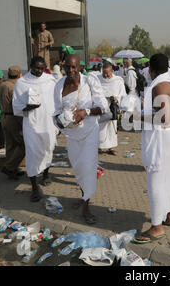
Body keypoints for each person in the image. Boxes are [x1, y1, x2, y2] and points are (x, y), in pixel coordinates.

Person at [54, 54, 109, 224]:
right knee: (77, 167)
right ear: (63, 67)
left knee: (87, 166)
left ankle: (86, 206)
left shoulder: (89, 81)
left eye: (74, 67)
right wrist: (59, 122)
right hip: (71, 134)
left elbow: (103, 107)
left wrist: (86, 112)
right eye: (67, 67)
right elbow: (55, 111)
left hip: (89, 131)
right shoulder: (58, 85)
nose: (71, 71)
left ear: (79, 67)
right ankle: (83, 195)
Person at [134, 54, 170, 243]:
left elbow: (164, 118)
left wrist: (137, 116)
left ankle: (157, 226)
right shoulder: (169, 83)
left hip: (162, 140)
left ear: (152, 70)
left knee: (156, 180)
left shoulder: (159, 86)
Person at [13, 56, 58, 202]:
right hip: (31, 124)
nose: (39, 71)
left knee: (48, 148)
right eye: (36, 67)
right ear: (30, 66)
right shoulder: (21, 83)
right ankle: (34, 187)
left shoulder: (50, 80)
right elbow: (16, 107)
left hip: (48, 124)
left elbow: (56, 99)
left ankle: (45, 174)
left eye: (41, 68)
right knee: (32, 153)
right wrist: (27, 107)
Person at [0, 66, 26, 180]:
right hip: (13, 118)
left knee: (10, 145)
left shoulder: (2, 85)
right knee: (23, 145)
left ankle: (13, 169)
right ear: (19, 74)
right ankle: (9, 167)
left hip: (3, 117)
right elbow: (17, 107)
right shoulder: (14, 87)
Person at [97, 61, 126, 155]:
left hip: (113, 107)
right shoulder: (97, 79)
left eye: (107, 73)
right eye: (103, 73)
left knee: (112, 127)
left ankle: (111, 147)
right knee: (100, 127)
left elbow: (122, 93)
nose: (105, 75)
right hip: (101, 107)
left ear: (112, 71)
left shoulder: (118, 80)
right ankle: (99, 147)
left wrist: (117, 99)